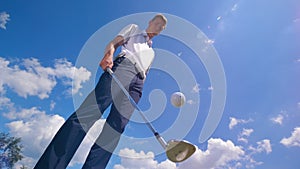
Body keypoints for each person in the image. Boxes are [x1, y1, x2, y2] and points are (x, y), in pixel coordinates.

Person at [34, 14, 167, 169]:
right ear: (150, 22)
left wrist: (140, 84)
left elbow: (146, 71)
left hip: (138, 83)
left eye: (161, 27)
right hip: (125, 67)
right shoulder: (134, 29)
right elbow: (114, 43)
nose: (158, 27)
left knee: (116, 128)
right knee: (90, 112)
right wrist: (109, 55)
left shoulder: (152, 53)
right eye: (157, 23)